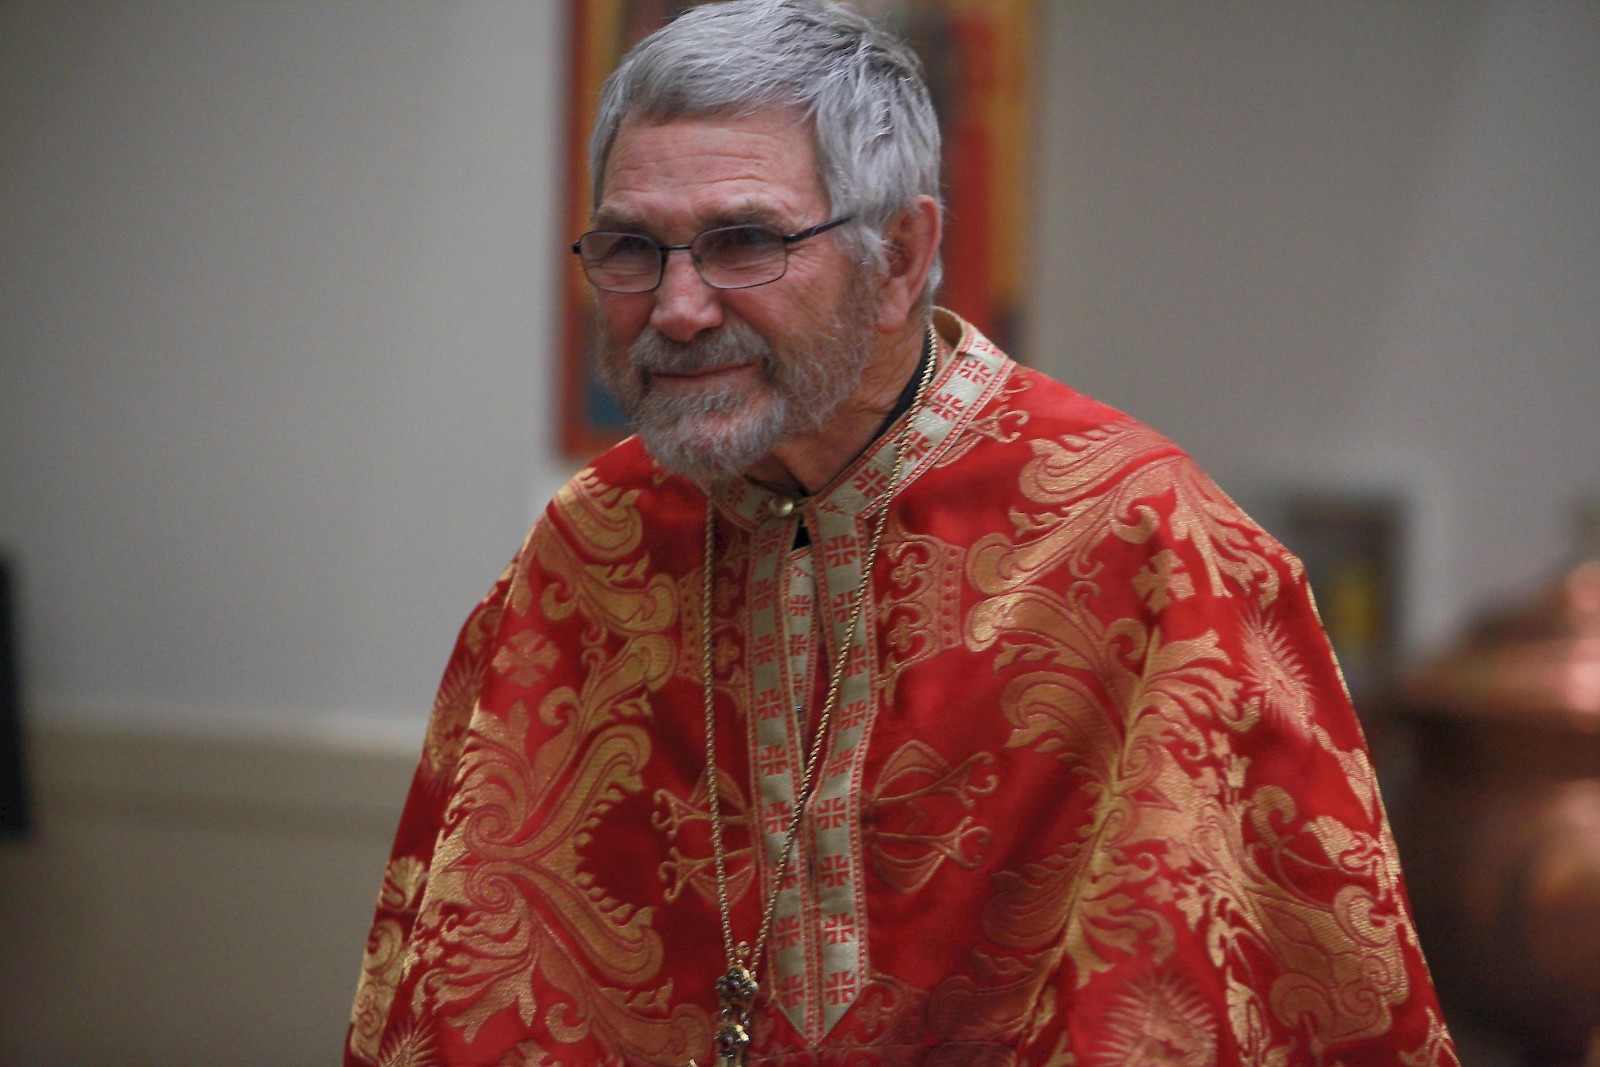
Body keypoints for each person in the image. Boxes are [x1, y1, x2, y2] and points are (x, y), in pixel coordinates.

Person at [346, 2, 1458, 1064]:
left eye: (744, 240)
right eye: (632, 247)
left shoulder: (1146, 545)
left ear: (898, 254)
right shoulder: (589, 548)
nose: (678, 307)